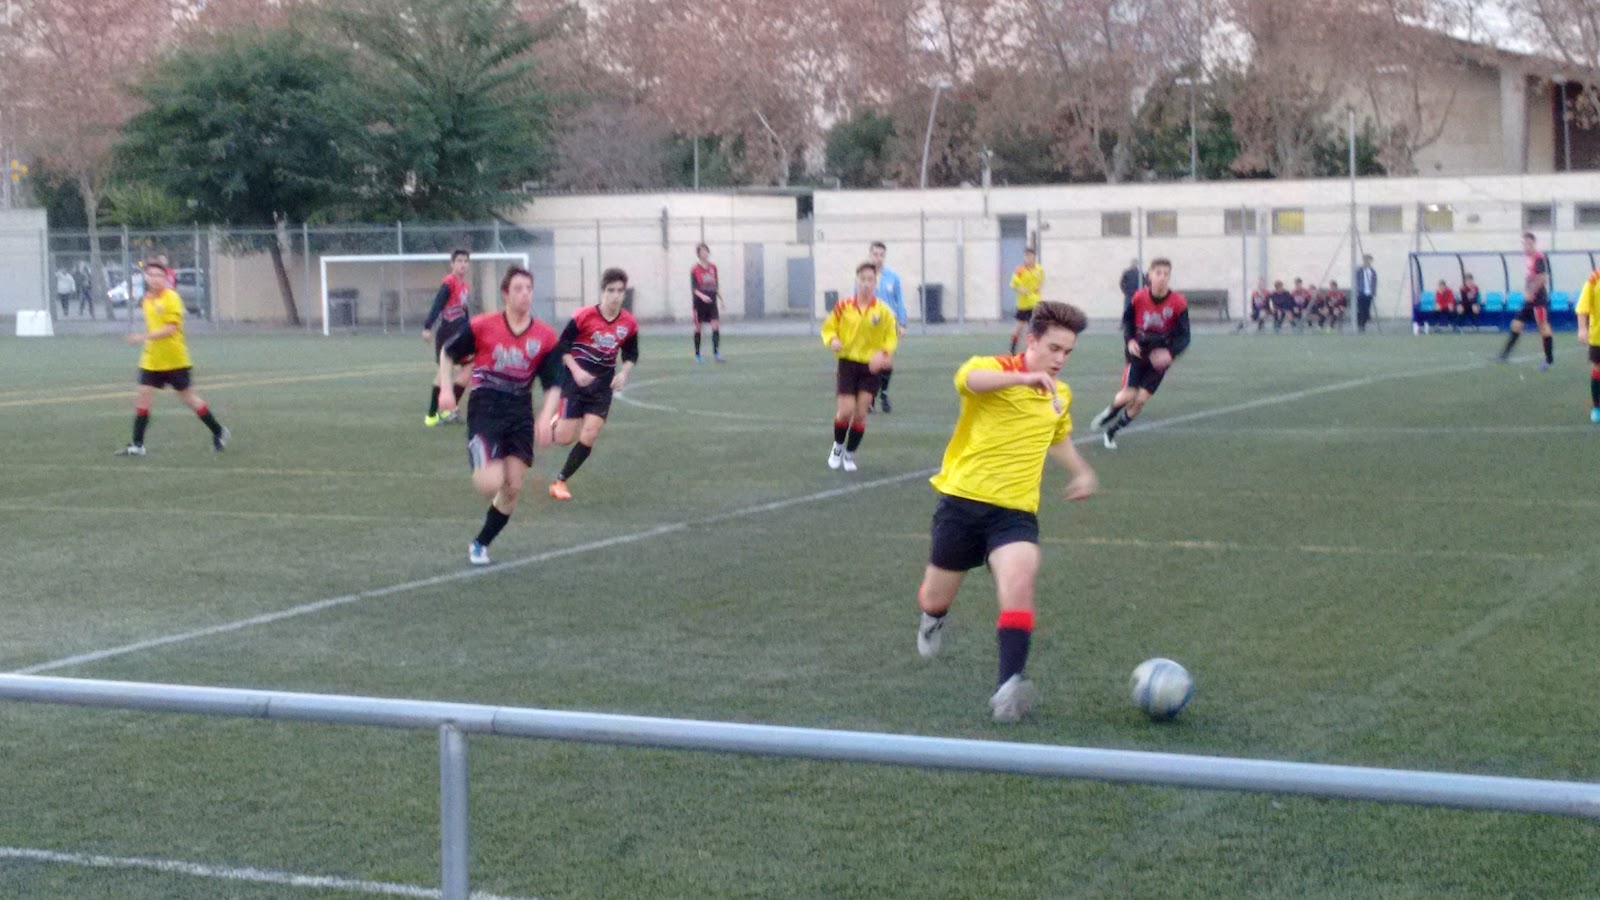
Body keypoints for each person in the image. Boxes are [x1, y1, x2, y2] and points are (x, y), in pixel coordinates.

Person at [913, 300, 1097, 723]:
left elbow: (1058, 438)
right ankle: (932, 617)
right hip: (961, 504)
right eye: (1053, 348)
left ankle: (1007, 687)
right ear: (1030, 341)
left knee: (1020, 581)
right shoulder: (992, 367)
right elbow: (969, 380)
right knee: (934, 596)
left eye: (1067, 352)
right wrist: (1022, 377)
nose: (1060, 360)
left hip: (1014, 513)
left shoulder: (1059, 395)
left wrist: (1082, 471)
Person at [436, 266, 563, 565]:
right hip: (485, 406)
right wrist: (446, 388)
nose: (524, 294)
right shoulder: (483, 326)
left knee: (513, 487)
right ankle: (480, 451)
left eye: (528, 288)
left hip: (519, 411)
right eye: (517, 289)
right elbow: (448, 352)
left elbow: (554, 383)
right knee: (489, 484)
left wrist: (546, 417)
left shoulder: (544, 336)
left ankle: (480, 543)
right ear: (505, 294)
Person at [114, 260, 229, 456]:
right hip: (151, 360)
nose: (155, 279)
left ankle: (218, 431)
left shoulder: (172, 298)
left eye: (159, 275)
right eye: (151, 275)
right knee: (143, 396)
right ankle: (137, 445)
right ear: (146, 277)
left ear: (165, 278)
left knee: (189, 399)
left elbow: (170, 329)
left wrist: (142, 337)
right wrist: (146, 339)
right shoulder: (147, 299)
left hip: (175, 359)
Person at [547, 268, 640, 501]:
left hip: (602, 386)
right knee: (564, 438)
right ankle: (553, 423)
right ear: (602, 292)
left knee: (589, 434)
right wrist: (577, 372)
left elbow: (631, 353)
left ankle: (560, 481)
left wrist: (625, 373)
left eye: (620, 291)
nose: (616, 296)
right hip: (574, 381)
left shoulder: (628, 323)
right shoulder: (584, 316)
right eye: (611, 290)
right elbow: (562, 347)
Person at [1089, 257, 1191, 450]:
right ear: (1149, 275)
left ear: (1169, 277)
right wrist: (1130, 341)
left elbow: (1185, 336)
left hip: (1159, 359)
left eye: (1166, 274)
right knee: (1129, 395)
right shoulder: (1139, 298)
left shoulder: (1178, 303)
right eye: (1158, 273)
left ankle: (1112, 431)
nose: (1162, 277)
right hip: (1138, 354)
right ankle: (1110, 412)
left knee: (1141, 399)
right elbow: (1127, 322)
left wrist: (1170, 352)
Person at [822, 261, 898, 471]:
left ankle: (849, 454)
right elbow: (828, 328)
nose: (866, 283)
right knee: (845, 410)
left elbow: (890, 337)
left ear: (875, 283)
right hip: (848, 363)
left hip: (870, 368)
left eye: (870, 280)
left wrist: (882, 355)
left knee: (861, 413)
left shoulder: (883, 311)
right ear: (857, 281)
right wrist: (832, 340)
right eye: (862, 279)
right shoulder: (844, 306)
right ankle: (838, 447)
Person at [421, 249, 474, 427]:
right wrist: (428, 326)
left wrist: (469, 329)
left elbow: (464, 310)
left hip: (460, 333)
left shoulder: (464, 285)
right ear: (452, 264)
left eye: (466, 261)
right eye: (459, 261)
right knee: (445, 372)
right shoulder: (449, 282)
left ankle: (444, 411)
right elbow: (438, 303)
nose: (463, 264)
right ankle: (436, 414)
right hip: (448, 333)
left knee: (465, 368)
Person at [1496, 232, 1555, 369]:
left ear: (1533, 243)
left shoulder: (1538, 257)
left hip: (1538, 299)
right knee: (1516, 323)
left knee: (1543, 326)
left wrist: (1531, 292)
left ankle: (1549, 360)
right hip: (1530, 300)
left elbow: (1542, 278)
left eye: (1528, 243)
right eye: (1524, 243)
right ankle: (1504, 355)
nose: (1526, 246)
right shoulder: (1528, 258)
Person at [868, 241, 906, 413]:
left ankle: (883, 394)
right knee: (873, 363)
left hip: (889, 326)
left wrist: (902, 323)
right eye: (875, 254)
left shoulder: (892, 277)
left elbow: (899, 301)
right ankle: (870, 399)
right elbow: (856, 301)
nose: (878, 258)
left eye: (881, 255)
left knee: (887, 363)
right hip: (870, 326)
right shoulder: (864, 277)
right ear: (870, 255)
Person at [690, 243, 724, 363]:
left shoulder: (713, 267)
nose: (704, 253)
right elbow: (694, 288)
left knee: (715, 326)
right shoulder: (695, 269)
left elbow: (716, 285)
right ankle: (698, 355)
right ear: (698, 254)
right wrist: (702, 296)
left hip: (712, 303)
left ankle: (716, 353)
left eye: (706, 251)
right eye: (702, 251)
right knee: (698, 328)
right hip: (699, 304)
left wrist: (721, 299)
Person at [1008, 246, 1044, 354]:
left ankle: (1032, 350)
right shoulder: (1019, 270)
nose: (1028, 259)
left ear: (1034, 257)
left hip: (1035, 303)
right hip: (1023, 305)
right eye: (1026, 256)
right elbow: (1013, 285)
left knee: (1033, 328)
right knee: (1018, 328)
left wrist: (1038, 287)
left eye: (1031, 256)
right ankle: (1012, 349)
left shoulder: (1039, 269)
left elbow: (1041, 281)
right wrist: (1021, 289)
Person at [1576, 268, 1600, 423]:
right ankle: (1597, 407)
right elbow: (1583, 307)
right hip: (1598, 336)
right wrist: (1582, 328)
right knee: (1598, 369)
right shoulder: (1594, 278)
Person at [1356, 255, 1377, 332]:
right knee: (1360, 309)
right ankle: (1360, 325)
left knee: (1366, 310)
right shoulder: (1360, 270)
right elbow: (1356, 280)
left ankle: (1363, 324)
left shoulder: (1372, 271)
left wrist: (1373, 292)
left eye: (1370, 261)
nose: (1368, 262)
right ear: (1364, 261)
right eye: (1367, 260)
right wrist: (1357, 290)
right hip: (1361, 292)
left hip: (1369, 293)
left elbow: (1374, 282)